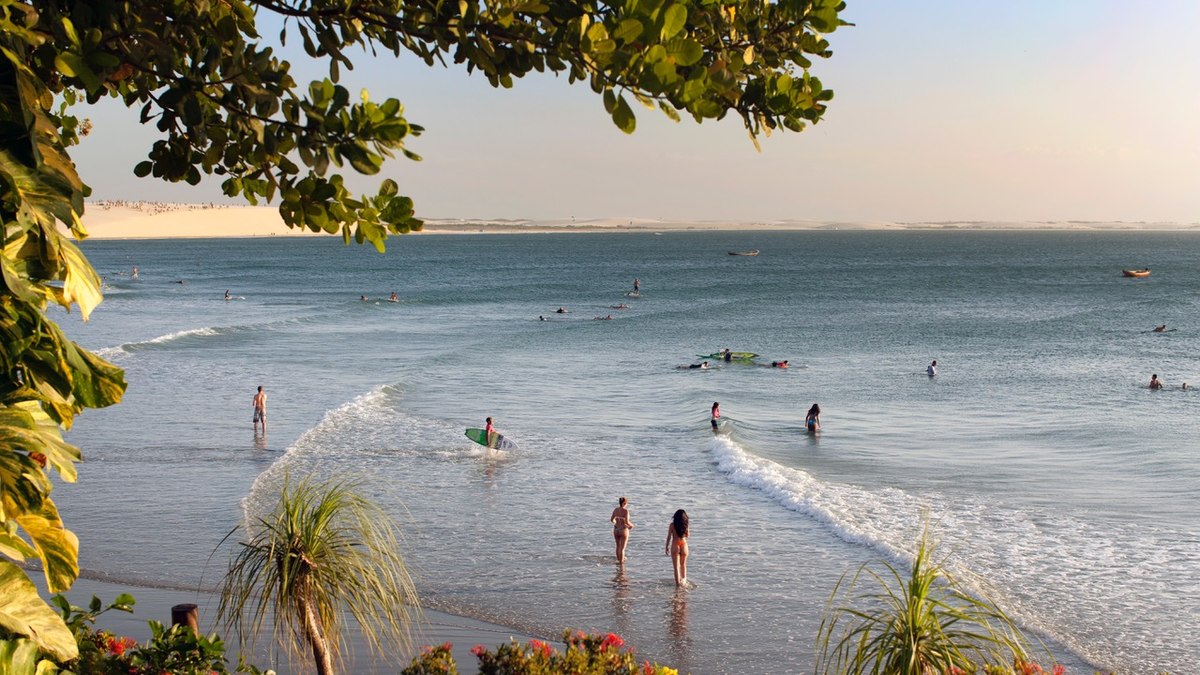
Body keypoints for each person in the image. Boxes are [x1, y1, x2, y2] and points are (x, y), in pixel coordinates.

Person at [665, 509, 689, 587]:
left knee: (676, 567)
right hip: (684, 544)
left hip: (675, 545)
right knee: (683, 565)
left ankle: (678, 585)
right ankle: (684, 581)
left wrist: (666, 547)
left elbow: (669, 537)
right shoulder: (686, 525)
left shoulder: (672, 525)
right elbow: (688, 535)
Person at [610, 497, 634, 564]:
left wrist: (616, 522)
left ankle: (618, 560)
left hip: (616, 529)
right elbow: (627, 522)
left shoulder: (615, 510)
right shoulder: (626, 511)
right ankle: (621, 562)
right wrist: (632, 525)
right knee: (622, 548)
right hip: (623, 530)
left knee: (618, 546)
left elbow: (612, 520)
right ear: (625, 503)